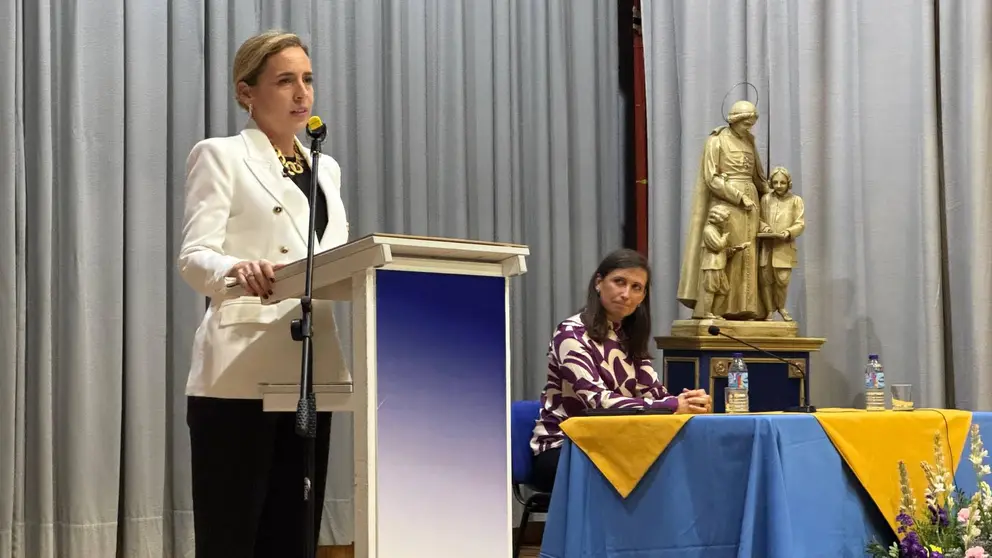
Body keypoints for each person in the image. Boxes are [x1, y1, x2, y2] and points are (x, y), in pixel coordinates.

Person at [176, 30, 350, 557]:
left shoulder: (327, 168)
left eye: (308, 79)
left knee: (293, 531)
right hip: (239, 371)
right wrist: (236, 268)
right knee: (234, 532)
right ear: (247, 92)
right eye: (285, 81)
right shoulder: (221, 156)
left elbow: (337, 260)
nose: (302, 93)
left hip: (310, 365)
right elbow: (193, 256)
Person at [529, 248, 712, 493]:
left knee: (689, 463)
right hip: (564, 447)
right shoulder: (570, 333)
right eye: (619, 282)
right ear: (598, 283)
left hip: (615, 446)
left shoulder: (629, 338)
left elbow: (654, 394)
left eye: (636, 287)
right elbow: (597, 402)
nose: (626, 294)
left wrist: (690, 402)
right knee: (659, 477)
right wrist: (672, 406)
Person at [676, 99, 768, 320]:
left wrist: (773, 193)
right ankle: (720, 309)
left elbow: (757, 176)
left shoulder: (749, 141)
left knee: (749, 255)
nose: (749, 127)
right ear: (735, 120)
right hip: (728, 204)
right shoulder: (716, 141)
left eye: (752, 123)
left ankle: (746, 308)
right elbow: (711, 178)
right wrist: (738, 197)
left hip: (751, 204)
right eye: (746, 122)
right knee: (728, 253)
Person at [759, 166, 805, 321]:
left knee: (782, 280)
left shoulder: (795, 201)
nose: (779, 186)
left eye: (783, 183)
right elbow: (757, 218)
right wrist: (764, 227)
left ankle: (781, 307)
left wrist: (788, 232)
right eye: (776, 182)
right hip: (767, 245)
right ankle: (769, 310)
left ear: (788, 183)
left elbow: (800, 223)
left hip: (785, 246)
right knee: (766, 279)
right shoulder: (765, 199)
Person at [697, 204, 750, 318]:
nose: (726, 222)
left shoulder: (716, 230)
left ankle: (715, 313)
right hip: (711, 265)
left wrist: (736, 249)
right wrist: (725, 238)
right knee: (710, 290)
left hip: (719, 265)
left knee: (723, 290)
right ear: (718, 219)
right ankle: (707, 313)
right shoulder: (709, 230)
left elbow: (722, 251)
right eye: (725, 220)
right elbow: (717, 246)